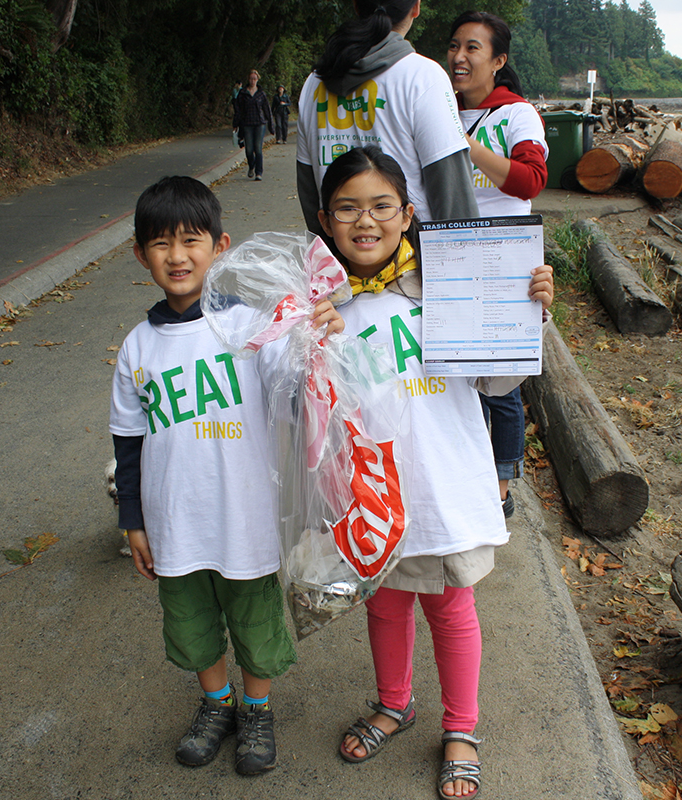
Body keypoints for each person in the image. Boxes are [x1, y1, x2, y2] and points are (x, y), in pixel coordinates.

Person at [316, 146, 553, 800]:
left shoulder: (450, 285)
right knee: (386, 603)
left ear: (408, 213)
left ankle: (462, 728)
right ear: (325, 219)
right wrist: (300, 341)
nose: (366, 221)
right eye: (348, 208)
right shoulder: (323, 309)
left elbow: (497, 379)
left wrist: (527, 313)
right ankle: (394, 704)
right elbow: (307, 410)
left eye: (381, 206)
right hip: (375, 498)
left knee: (451, 608)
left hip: (444, 488)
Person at [109, 176, 342, 776]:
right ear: (140, 255)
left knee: (254, 619)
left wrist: (313, 335)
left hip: (246, 517)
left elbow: (297, 392)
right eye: (160, 244)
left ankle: (257, 709)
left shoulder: (251, 329)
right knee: (190, 621)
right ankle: (217, 702)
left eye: (191, 240)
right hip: (174, 521)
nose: (177, 256)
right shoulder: (138, 347)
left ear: (220, 245)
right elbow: (128, 443)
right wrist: (133, 520)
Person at [447, 11, 550, 519]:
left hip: (505, 261)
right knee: (454, 375)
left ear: (498, 60)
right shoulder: (439, 106)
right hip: (448, 259)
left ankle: (502, 485)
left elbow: (531, 181)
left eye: (473, 48)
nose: (460, 58)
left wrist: (469, 148)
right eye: (455, 47)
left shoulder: (516, 114)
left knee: (502, 381)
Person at [296, 0, 479, 234]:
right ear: (416, 8)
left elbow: (310, 191)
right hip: (410, 263)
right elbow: (453, 196)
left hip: (340, 260)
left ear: (356, 5)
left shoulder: (315, 82)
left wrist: (330, 263)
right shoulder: (423, 77)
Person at [234, 70, 273, 180]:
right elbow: (238, 109)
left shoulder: (261, 93)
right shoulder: (242, 93)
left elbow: (267, 109)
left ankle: (259, 172)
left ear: (257, 79)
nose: (252, 81)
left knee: (258, 148)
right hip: (247, 123)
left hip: (259, 123)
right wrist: (236, 123)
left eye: (254, 79)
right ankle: (252, 165)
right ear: (248, 79)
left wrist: (271, 126)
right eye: (251, 78)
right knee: (249, 149)